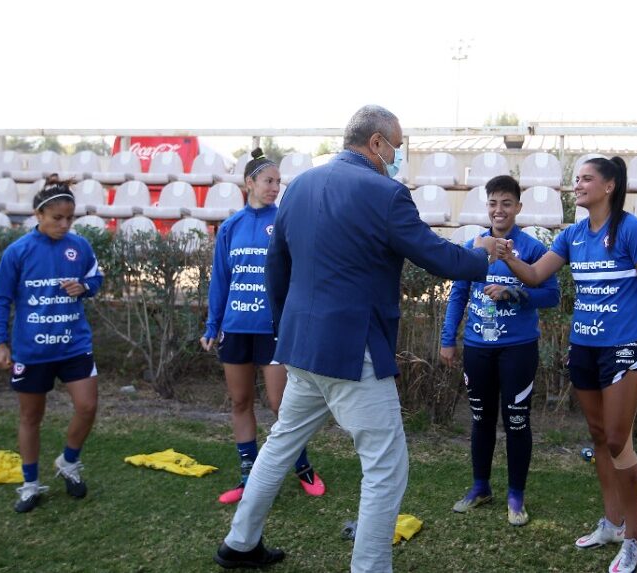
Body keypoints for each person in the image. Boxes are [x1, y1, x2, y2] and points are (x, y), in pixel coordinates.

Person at [214, 105, 499, 572]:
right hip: (352, 353)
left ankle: (240, 543)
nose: (398, 155)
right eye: (397, 146)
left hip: (301, 349)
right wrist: (481, 254)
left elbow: (275, 267)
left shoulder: (300, 185)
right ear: (376, 143)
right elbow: (439, 258)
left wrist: (286, 331)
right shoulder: (386, 193)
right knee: (386, 465)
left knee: (281, 444)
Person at [496, 156, 637, 573]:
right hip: (584, 347)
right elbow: (535, 275)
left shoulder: (631, 229)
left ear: (609, 186)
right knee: (598, 435)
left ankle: (634, 539)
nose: (578, 185)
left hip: (624, 347)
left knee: (616, 439)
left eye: (586, 179)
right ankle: (611, 523)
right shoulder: (573, 234)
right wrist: (504, 254)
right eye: (576, 179)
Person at [201, 148, 324, 504]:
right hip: (236, 328)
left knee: (279, 404)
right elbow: (220, 281)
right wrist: (212, 325)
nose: (275, 187)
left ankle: (302, 465)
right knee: (240, 401)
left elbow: (297, 273)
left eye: (278, 182)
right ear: (249, 182)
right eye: (269, 181)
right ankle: (247, 475)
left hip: (273, 328)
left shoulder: (283, 220)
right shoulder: (231, 227)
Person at [439, 175, 560, 527]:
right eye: (493, 202)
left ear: (518, 208)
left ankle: (516, 494)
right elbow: (458, 294)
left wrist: (513, 294)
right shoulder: (474, 245)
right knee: (480, 419)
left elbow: (551, 295)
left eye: (506, 203)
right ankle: (481, 487)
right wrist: (449, 339)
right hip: (478, 348)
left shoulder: (533, 248)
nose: (499, 210)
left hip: (518, 349)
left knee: (517, 421)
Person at [0, 176, 104, 513]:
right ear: (38, 215)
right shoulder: (18, 251)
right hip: (32, 350)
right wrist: (0, 343)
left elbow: (96, 278)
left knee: (87, 406)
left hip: (73, 344)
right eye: (57, 218)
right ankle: (30, 484)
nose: (65, 224)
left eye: (70, 218)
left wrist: (84, 287)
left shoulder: (80, 246)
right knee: (30, 417)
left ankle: (68, 462)